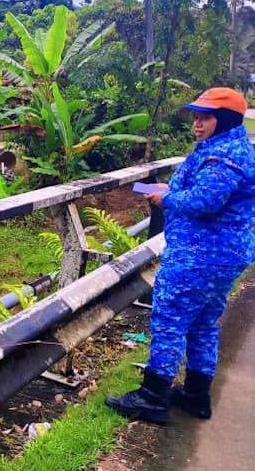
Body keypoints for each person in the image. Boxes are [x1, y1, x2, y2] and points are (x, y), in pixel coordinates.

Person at [106, 87, 254, 424]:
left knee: (170, 320)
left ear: (226, 119)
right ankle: (195, 395)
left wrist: (166, 197)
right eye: (196, 117)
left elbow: (204, 202)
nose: (196, 124)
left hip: (201, 255)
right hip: (222, 255)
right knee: (203, 323)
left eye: (205, 117)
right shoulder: (227, 148)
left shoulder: (224, 157)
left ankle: (153, 397)